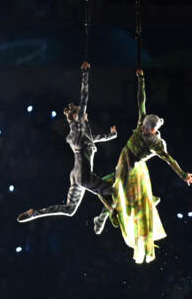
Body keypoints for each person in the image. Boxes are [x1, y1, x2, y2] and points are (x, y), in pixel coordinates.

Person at [93, 68, 192, 264]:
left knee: (113, 190)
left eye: (147, 130)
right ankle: (110, 212)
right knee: (101, 188)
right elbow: (141, 100)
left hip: (132, 168)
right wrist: (140, 79)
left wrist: (184, 175)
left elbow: (169, 160)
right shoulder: (142, 121)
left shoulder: (156, 143)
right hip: (124, 160)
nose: (143, 130)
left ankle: (110, 214)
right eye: (143, 127)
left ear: (153, 130)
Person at [17, 61, 117, 222]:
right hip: (83, 175)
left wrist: (111, 135)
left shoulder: (78, 132)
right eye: (82, 111)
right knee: (114, 191)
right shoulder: (79, 126)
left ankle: (35, 213)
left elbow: (94, 139)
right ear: (78, 115)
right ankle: (104, 219)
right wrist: (85, 73)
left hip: (76, 174)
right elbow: (84, 97)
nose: (85, 113)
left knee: (70, 210)